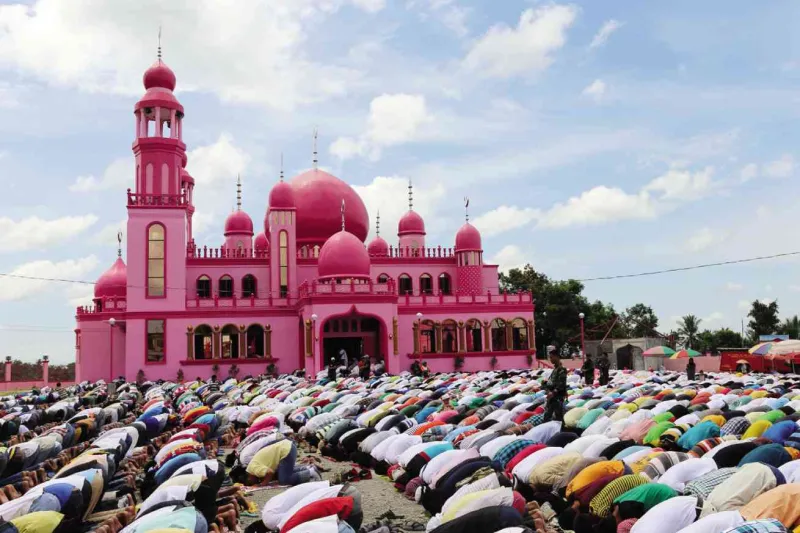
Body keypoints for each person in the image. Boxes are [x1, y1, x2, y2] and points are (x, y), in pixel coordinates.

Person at [543, 346, 567, 422]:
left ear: (557, 357)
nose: (550, 359)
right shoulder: (555, 369)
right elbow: (552, 382)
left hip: (557, 397)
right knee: (550, 417)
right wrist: (546, 384)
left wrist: (553, 393)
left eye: (551, 357)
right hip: (552, 397)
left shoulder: (561, 369)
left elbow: (561, 384)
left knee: (557, 418)